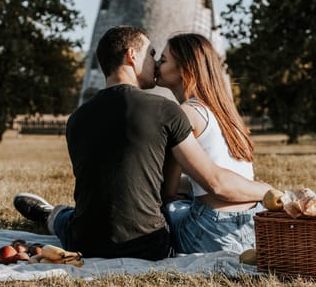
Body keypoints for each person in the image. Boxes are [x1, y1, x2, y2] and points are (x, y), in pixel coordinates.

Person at [14, 26, 272, 261]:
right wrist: (272, 192)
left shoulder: (75, 119)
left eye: (161, 58)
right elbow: (188, 188)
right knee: (172, 207)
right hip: (150, 245)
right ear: (131, 56)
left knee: (68, 217)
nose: (156, 63)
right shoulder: (168, 111)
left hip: (84, 240)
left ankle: (52, 215)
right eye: (152, 55)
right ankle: (55, 214)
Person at [156, 32, 262, 254]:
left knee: (170, 209)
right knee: (183, 204)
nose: (156, 64)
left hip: (211, 230)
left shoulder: (184, 114)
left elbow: (168, 191)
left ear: (185, 68)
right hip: (251, 224)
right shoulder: (225, 112)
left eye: (163, 60)